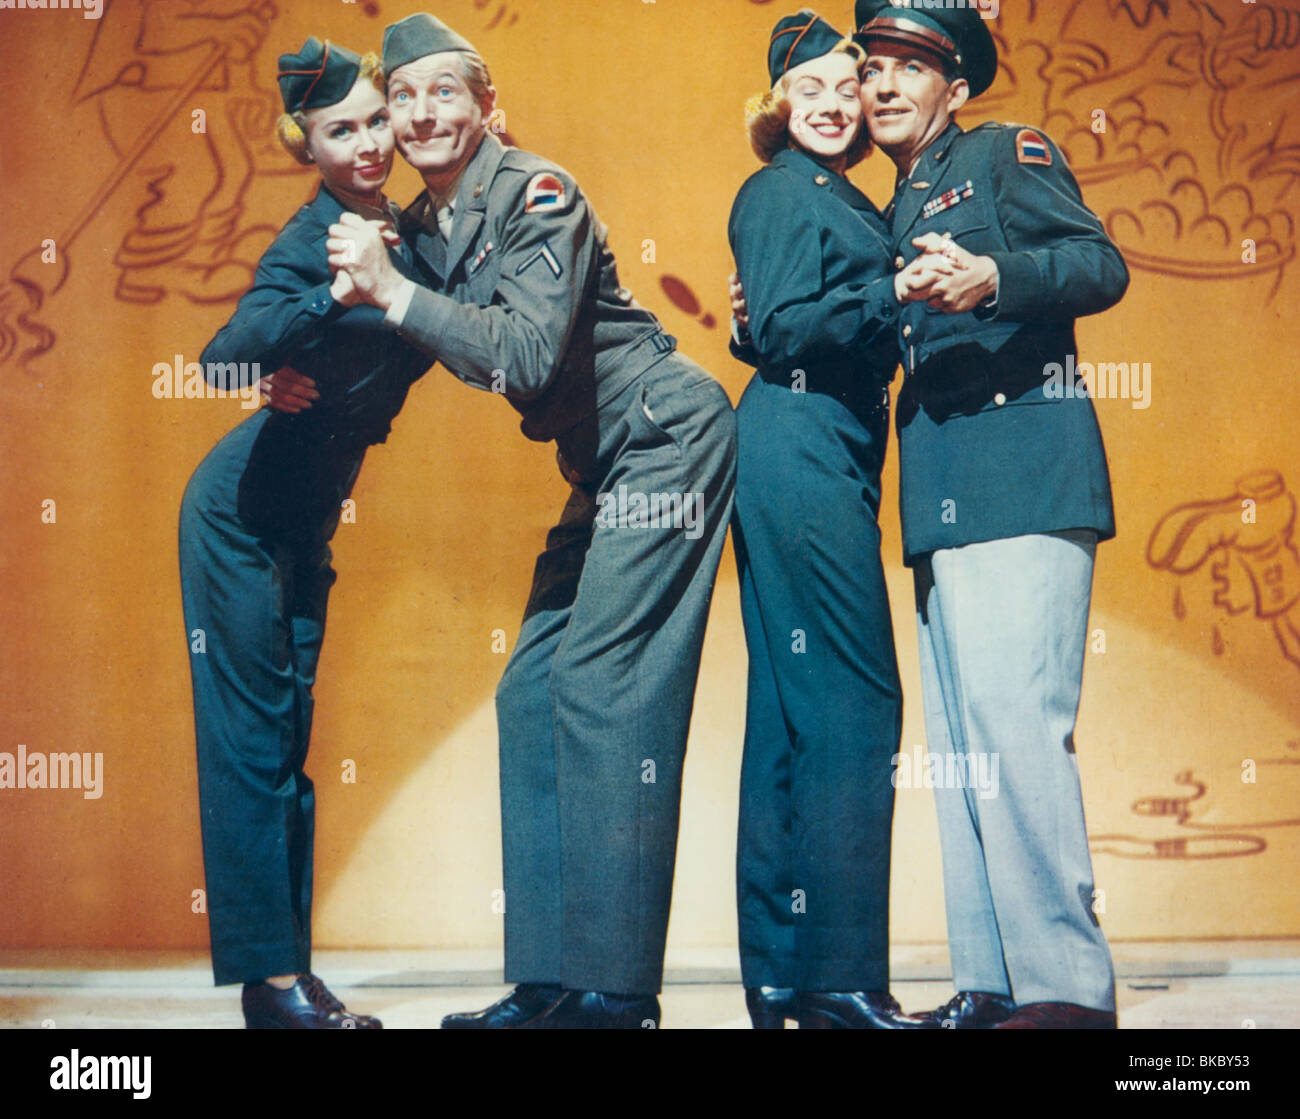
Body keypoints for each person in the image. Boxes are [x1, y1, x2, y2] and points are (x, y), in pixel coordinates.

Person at [321, 12, 737, 1029]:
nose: (420, 115)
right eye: (401, 100)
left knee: (602, 684)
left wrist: (393, 292)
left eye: (442, 95)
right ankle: (550, 982)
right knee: (529, 691)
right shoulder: (424, 226)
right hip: (600, 463)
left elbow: (527, 355)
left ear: (487, 108)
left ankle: (614, 993)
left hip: (665, 438)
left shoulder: (536, 191)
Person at [851, 0, 1128, 1029]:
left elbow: (1099, 266)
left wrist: (994, 276)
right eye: (871, 64)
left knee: (1018, 732)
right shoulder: (895, 200)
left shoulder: (1005, 154)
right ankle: (991, 981)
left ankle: (1065, 991)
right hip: (944, 498)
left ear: (954, 85)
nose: (880, 83)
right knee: (969, 742)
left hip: (1024, 477)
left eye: (907, 67)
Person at [179, 36, 428, 1029]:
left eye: (375, 121)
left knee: (288, 738)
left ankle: (291, 975)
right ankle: (268, 985)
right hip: (240, 515)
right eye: (342, 131)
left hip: (303, 517)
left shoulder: (403, 227)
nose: (368, 143)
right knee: (251, 742)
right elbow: (221, 356)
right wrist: (331, 297)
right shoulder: (316, 237)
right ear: (309, 148)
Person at [728, 10, 933, 1030]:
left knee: (788, 724)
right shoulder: (777, 190)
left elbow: (768, 319)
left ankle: (783, 983)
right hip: (802, 445)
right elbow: (780, 326)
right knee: (857, 708)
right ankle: (844, 982)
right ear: (776, 107)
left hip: (809, 448)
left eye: (843, 89)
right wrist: (894, 286)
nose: (828, 103)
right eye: (805, 88)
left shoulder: (842, 197)